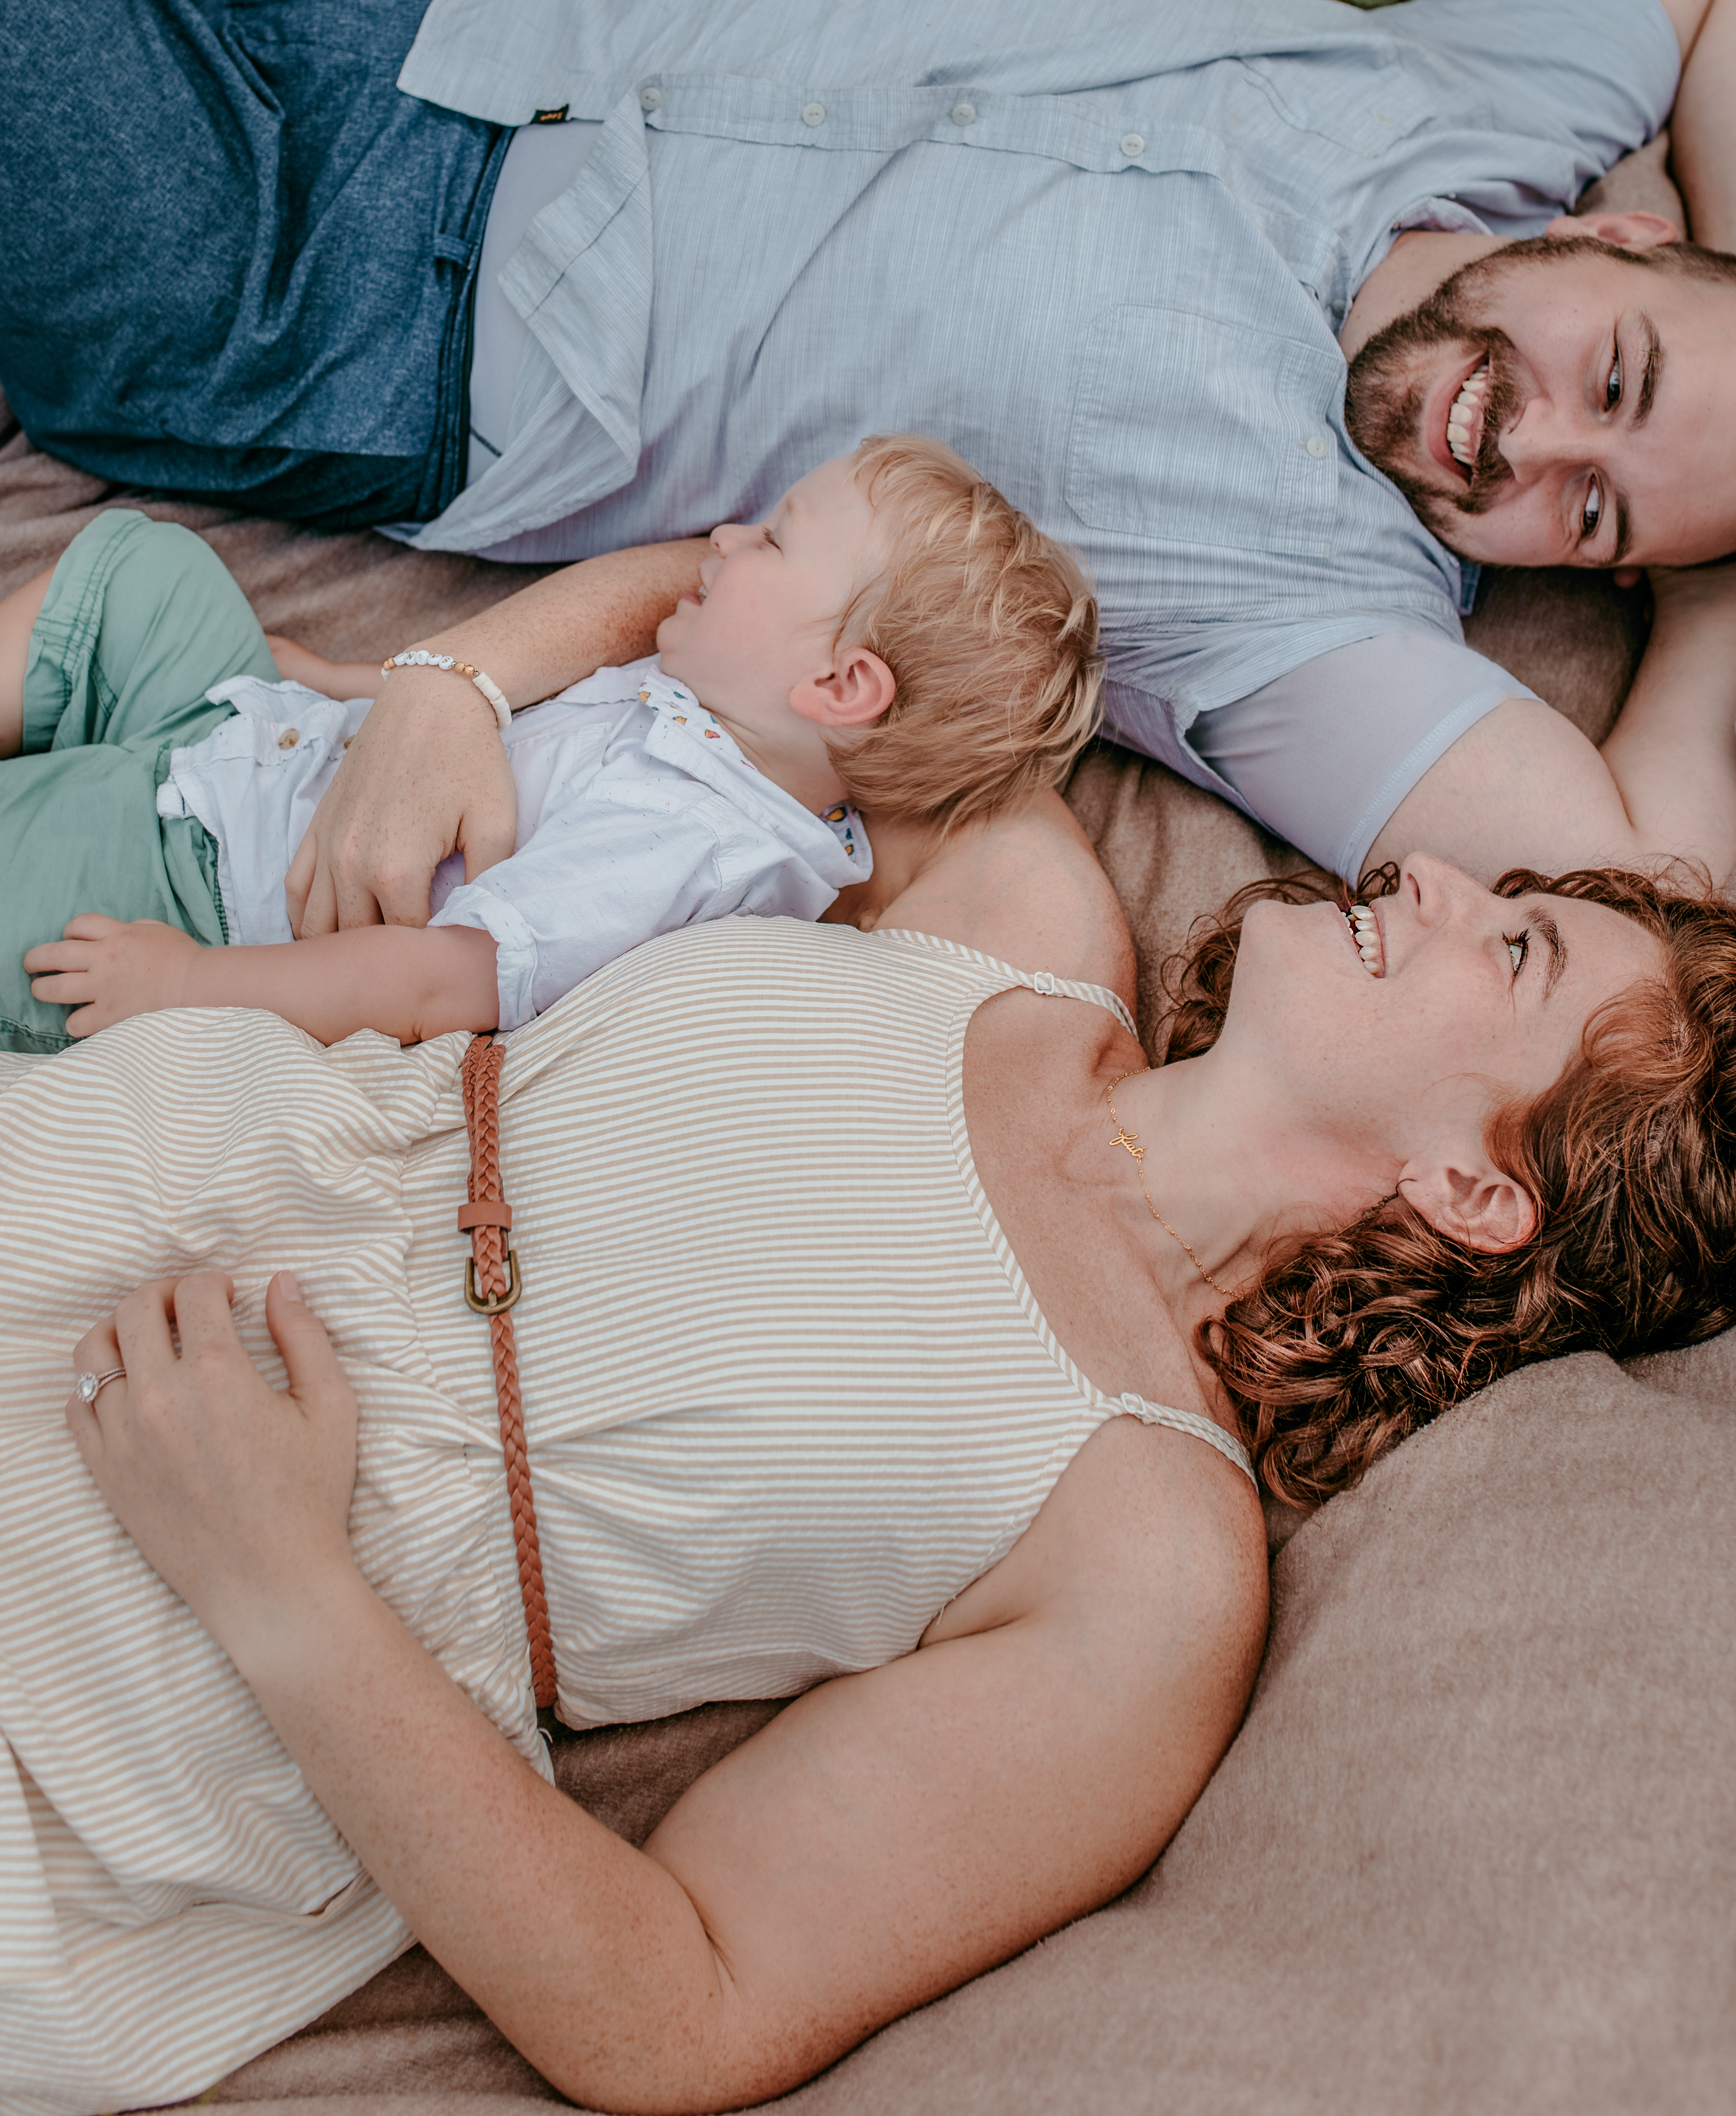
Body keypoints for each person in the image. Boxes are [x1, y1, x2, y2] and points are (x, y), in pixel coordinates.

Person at [9, 0, 1736, 932]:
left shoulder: (1312, 622)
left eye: (1589, 514)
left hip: (351, 299)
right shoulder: (1487, 104)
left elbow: (1641, 897)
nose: (1520, 442)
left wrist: (1716, 575)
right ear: (1630, 241)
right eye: (1622, 376)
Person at [6, 812, 1735, 2111]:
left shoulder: (1145, 1563)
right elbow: (791, 575)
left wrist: (281, 1585)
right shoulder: (1014, 903)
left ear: (1474, 1189)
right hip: (112, 1175)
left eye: (1510, 947)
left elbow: (681, 2004)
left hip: (157, 1654)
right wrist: (453, 691)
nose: (1427, 870)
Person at [2, 439, 1099, 1051]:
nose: (719, 539)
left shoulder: (691, 843)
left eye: (770, 538)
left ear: (838, 685)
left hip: (208, 884)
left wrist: (190, 982)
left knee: (44, 873)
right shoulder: (715, 707)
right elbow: (514, 729)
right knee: (148, 573)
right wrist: (353, 686)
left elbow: (442, 983)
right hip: (266, 751)